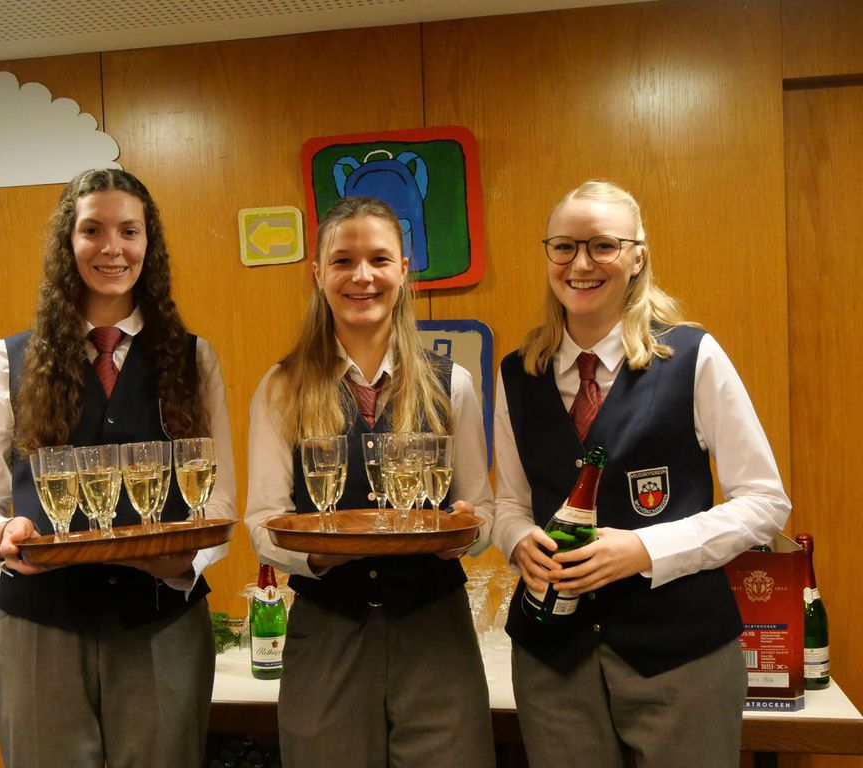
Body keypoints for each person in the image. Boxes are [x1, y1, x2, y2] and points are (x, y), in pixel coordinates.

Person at [492, 179, 791, 768]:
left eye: (603, 245)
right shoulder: (517, 372)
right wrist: (518, 539)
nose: (581, 264)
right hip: (553, 661)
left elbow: (764, 502)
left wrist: (645, 550)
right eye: (564, 247)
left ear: (637, 257)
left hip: (681, 658)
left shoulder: (693, 356)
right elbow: (510, 506)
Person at [0, 168, 236, 768]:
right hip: (39, 628)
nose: (112, 248)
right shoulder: (5, 361)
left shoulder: (194, 358)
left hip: (162, 624)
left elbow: (219, 505)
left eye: (129, 231)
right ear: (69, 242)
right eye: (92, 230)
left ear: (148, 243)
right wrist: (0, 535)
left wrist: (184, 562)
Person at [244, 196, 496, 767]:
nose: (362, 276)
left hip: (436, 632)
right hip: (328, 632)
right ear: (318, 274)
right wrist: (321, 555)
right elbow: (262, 522)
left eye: (379, 259)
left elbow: (481, 511)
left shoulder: (451, 382)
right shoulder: (282, 387)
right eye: (343, 261)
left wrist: (464, 532)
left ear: (403, 271)